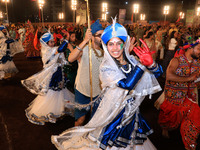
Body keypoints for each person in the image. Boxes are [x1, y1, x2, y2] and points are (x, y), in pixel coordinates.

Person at [51, 18, 163, 150]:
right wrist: (142, 65)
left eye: (118, 43)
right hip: (113, 115)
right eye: (111, 44)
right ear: (106, 45)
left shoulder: (132, 60)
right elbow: (126, 85)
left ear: (124, 44)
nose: (115, 48)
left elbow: (154, 76)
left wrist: (152, 64)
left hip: (131, 114)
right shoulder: (106, 67)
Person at [21, 32, 75, 125]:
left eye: (53, 41)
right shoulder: (47, 51)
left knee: (60, 91)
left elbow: (60, 52)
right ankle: (51, 112)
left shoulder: (51, 49)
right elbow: (61, 48)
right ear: (46, 43)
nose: (53, 43)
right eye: (50, 42)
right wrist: (67, 38)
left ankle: (59, 109)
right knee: (52, 92)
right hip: (52, 75)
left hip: (58, 73)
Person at [158, 40, 200, 150]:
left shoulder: (197, 62)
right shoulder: (177, 60)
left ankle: (189, 144)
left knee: (194, 116)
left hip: (190, 96)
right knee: (169, 117)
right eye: (199, 49)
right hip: (174, 96)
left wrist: (196, 80)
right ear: (190, 48)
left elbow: (197, 79)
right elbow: (169, 76)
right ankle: (165, 128)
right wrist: (189, 78)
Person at [68, 19, 104, 126]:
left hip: (98, 92)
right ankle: (75, 139)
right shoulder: (84, 49)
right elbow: (70, 59)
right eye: (99, 35)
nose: (102, 38)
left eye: (103, 35)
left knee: (96, 121)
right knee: (80, 120)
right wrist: (84, 41)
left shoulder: (104, 52)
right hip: (82, 90)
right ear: (92, 36)